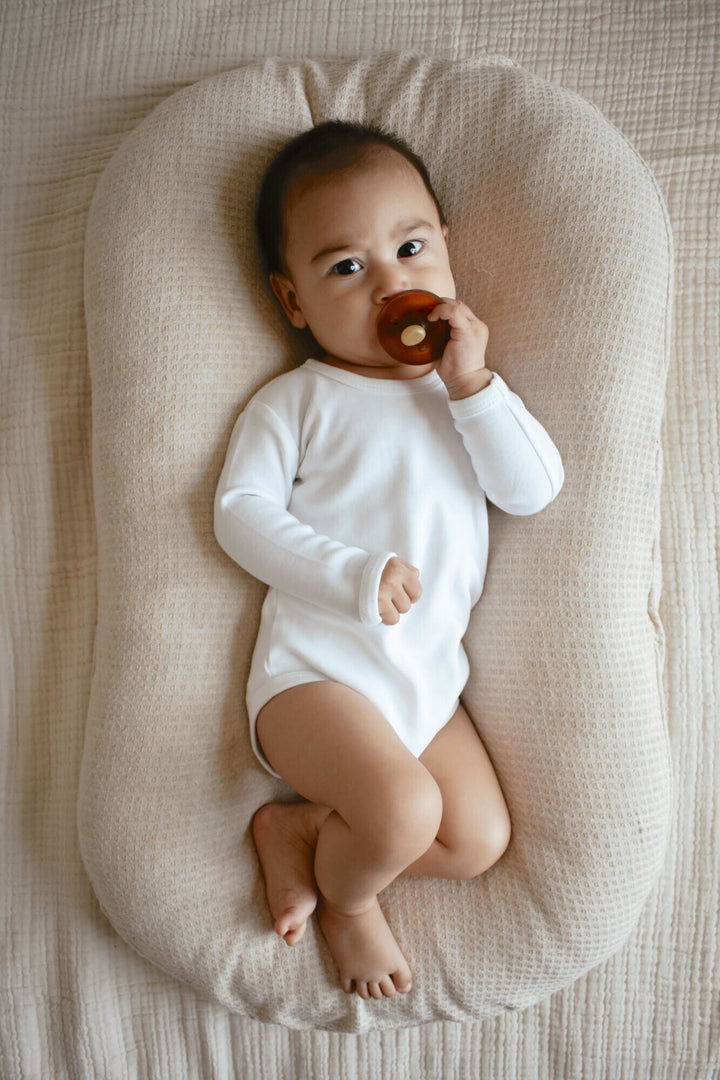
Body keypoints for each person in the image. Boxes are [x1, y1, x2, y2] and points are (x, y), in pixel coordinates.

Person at [214, 121, 564, 1001]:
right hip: (316, 678)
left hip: (424, 684)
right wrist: (351, 574)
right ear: (293, 302)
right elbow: (239, 516)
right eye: (345, 268)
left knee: (474, 839)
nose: (390, 284)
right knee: (406, 813)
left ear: (447, 249)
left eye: (411, 248)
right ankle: (349, 903)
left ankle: (302, 835)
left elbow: (531, 490)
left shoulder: (469, 393)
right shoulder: (298, 401)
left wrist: (476, 387)